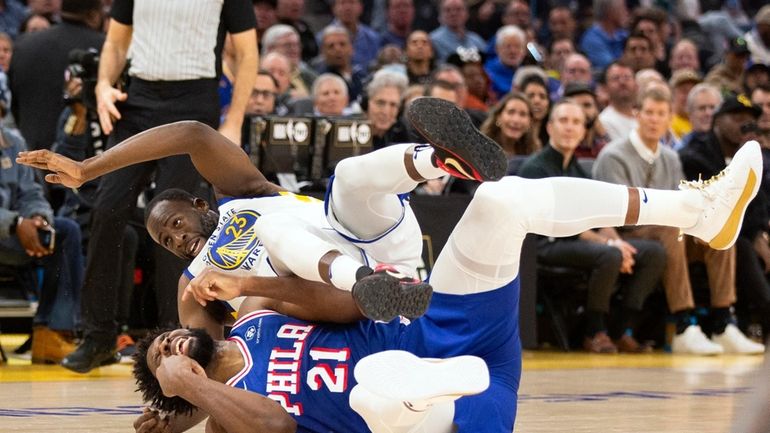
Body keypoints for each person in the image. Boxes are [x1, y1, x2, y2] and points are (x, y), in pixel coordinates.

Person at [129, 98, 763, 433]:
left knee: (500, 200)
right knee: (379, 387)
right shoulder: (227, 412)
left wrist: (245, 285)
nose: (170, 343)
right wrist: (188, 392)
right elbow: (270, 425)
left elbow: (339, 306)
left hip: (431, 312)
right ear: (179, 384)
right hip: (452, 412)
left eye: (160, 343)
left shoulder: (253, 319)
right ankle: (438, 378)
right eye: (164, 358)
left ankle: (697, 209)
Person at [60, 0, 258, 374]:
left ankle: (176, 335)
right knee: (107, 208)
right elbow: (116, 43)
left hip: (195, 100)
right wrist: (103, 84)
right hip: (138, 99)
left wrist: (233, 119)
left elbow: (247, 54)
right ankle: (99, 335)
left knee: (176, 223)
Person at [593, 85, 763, 355]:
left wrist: (700, 226)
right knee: (670, 228)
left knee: (720, 230)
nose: (654, 119)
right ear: (636, 114)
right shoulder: (613, 155)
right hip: (627, 233)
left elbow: (681, 206)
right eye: (649, 112)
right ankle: (684, 325)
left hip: (669, 231)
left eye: (661, 113)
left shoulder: (671, 158)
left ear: (670, 117)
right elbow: (609, 212)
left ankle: (723, 321)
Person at [518, 100, 665, 353]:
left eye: (576, 122)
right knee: (608, 255)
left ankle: (621, 329)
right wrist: (609, 244)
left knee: (654, 253)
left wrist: (618, 241)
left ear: (584, 131)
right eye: (563, 121)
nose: (570, 127)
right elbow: (561, 224)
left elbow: (600, 217)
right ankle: (593, 331)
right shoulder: (536, 167)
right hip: (543, 245)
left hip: (579, 240)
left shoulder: (578, 169)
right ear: (550, 127)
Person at [0, 125, 84, 364]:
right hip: (9, 225)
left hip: (11, 235)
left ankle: (52, 331)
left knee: (65, 231)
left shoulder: (13, 142)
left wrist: (38, 218)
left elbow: (31, 193)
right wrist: (14, 222)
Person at [8, 0, 104, 153]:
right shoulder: (105, 48)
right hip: (90, 157)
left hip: (33, 151)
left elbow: (13, 102)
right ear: (93, 15)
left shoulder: (23, 44)